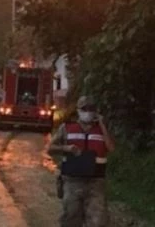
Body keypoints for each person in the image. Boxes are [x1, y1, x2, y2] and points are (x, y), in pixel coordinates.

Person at [48, 96, 115, 227]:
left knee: (99, 221)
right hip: (72, 181)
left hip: (96, 182)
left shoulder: (102, 130)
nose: (88, 112)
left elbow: (111, 148)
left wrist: (102, 125)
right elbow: (50, 148)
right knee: (71, 218)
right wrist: (66, 148)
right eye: (85, 109)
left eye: (91, 109)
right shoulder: (66, 128)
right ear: (78, 110)